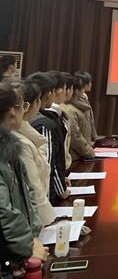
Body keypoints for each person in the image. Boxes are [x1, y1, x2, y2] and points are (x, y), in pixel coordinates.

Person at [0, 82, 49, 276]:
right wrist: (29, 245)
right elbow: (3, 211)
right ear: (13, 111)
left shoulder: (10, 147)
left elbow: (28, 195)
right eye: (23, 106)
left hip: (16, 251)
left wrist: (33, 237)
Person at [13, 80, 55, 227]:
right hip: (29, 222)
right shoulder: (20, 143)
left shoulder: (25, 132)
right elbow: (33, 189)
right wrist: (49, 222)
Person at [27, 72, 69, 203]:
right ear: (50, 93)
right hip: (43, 197)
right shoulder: (44, 123)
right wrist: (60, 190)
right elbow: (48, 165)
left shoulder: (38, 119)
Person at [63, 75, 95, 162]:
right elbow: (75, 136)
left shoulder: (83, 104)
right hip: (74, 157)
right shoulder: (69, 109)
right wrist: (88, 151)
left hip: (82, 154)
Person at [73, 71, 97, 141]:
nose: (90, 84)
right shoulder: (73, 99)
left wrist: (94, 134)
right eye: (89, 82)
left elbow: (90, 118)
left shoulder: (84, 97)